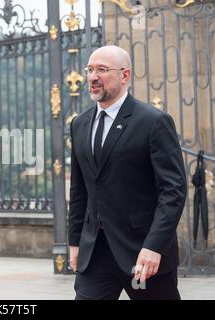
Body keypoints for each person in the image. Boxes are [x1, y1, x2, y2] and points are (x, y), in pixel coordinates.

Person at [68, 45, 187, 300]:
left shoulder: (153, 122)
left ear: (125, 75)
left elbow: (173, 191)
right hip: (96, 252)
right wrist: (75, 241)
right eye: (90, 70)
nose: (92, 77)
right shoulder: (79, 124)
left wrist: (154, 246)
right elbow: (80, 190)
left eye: (102, 69)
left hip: (143, 254)